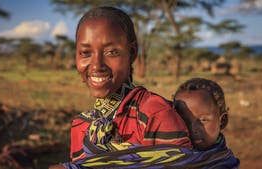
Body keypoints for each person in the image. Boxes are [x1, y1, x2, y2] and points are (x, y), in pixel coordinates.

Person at [49, 6, 192, 169]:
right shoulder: (81, 125)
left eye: (111, 52)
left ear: (132, 52)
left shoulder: (154, 114)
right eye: (85, 53)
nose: (96, 65)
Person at [50, 77, 239, 169]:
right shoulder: (160, 150)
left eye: (203, 120)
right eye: (183, 120)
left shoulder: (223, 162)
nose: (192, 129)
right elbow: (130, 159)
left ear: (223, 121)